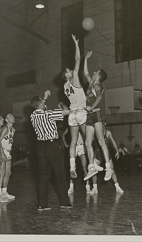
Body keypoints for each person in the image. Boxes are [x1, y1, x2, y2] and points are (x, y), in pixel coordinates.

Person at [30, 90, 72, 210]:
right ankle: (64, 202)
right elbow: (67, 111)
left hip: (41, 147)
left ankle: (42, 204)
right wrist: (61, 103)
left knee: (44, 176)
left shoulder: (33, 116)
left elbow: (39, 105)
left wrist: (44, 98)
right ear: (41, 105)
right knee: (60, 174)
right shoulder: (48, 114)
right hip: (52, 146)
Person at [82, 51, 113, 181]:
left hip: (97, 113)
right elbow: (85, 73)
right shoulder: (91, 83)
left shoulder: (98, 85)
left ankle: (108, 167)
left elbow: (99, 97)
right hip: (90, 115)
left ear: (99, 76)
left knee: (100, 140)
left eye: (96, 72)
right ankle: (92, 166)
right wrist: (86, 59)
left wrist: (92, 107)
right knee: (87, 142)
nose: (93, 73)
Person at [62, 34, 88, 179]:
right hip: (80, 113)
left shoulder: (65, 86)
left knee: (73, 141)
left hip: (72, 114)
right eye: (69, 70)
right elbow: (78, 59)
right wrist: (76, 44)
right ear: (66, 74)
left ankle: (73, 166)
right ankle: (91, 164)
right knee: (88, 138)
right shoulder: (74, 79)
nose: (71, 70)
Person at [91, 119, 124, 194]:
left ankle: (117, 187)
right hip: (98, 155)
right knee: (93, 171)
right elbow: (89, 143)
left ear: (104, 124)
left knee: (112, 170)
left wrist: (117, 151)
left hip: (106, 154)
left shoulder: (108, 132)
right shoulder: (94, 133)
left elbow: (113, 142)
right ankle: (94, 188)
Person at [61, 127, 91, 194]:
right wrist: (65, 143)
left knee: (85, 168)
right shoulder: (71, 126)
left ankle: (88, 186)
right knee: (72, 168)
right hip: (74, 147)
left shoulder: (83, 126)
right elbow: (62, 135)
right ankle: (71, 187)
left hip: (82, 147)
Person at [0, 113, 16, 200]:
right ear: (6, 120)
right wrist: (2, 153)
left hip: (7, 151)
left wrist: (9, 151)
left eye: (13, 116)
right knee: (2, 173)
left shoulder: (13, 130)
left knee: (8, 173)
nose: (13, 117)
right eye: (10, 116)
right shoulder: (5, 128)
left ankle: (4, 192)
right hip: (1, 150)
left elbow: (9, 142)